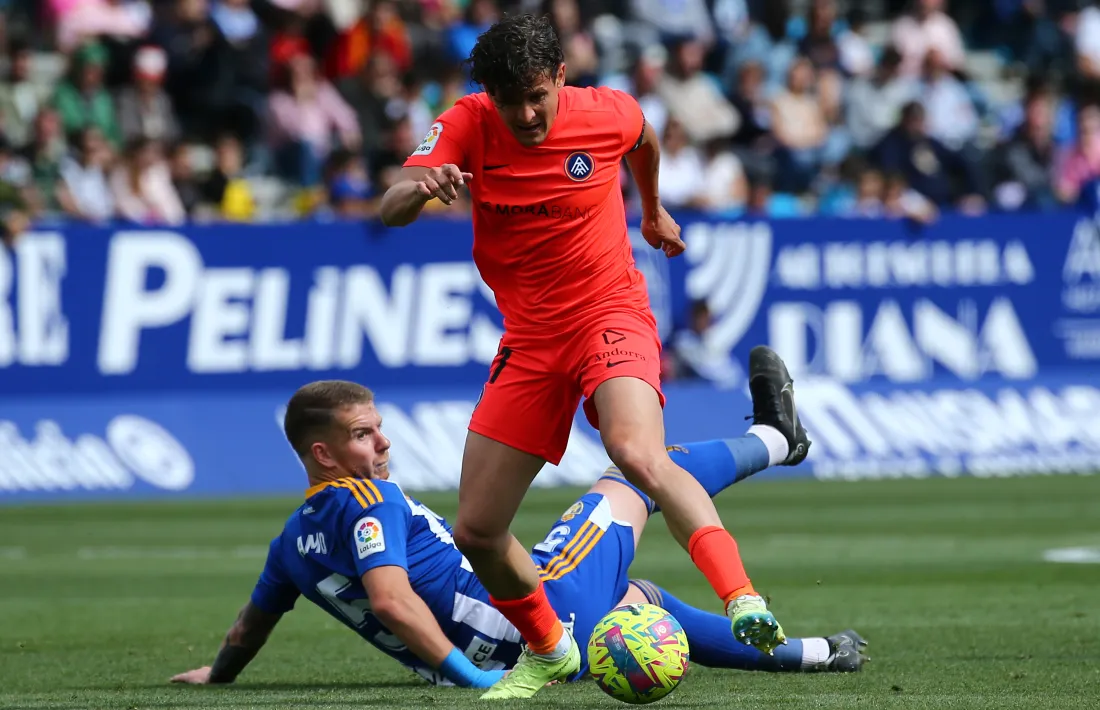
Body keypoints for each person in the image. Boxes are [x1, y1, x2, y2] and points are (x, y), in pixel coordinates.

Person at [378, 14, 809, 698]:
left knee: (637, 454)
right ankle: (549, 651)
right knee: (478, 530)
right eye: (506, 100)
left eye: (534, 97)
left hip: (610, 313)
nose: (522, 114)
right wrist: (421, 191)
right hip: (530, 339)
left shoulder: (608, 112)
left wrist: (652, 210)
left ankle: (742, 595)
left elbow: (643, 139)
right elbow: (390, 203)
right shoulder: (466, 120)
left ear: (559, 78)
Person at [169, 349, 866, 690]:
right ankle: (779, 439)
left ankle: (816, 653)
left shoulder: (291, 541)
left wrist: (219, 676)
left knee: (639, 601)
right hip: (530, 625)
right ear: (322, 453)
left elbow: (246, 627)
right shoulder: (367, 501)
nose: (382, 443)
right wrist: (483, 687)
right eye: (363, 434)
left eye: (379, 428)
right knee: (637, 470)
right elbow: (390, 598)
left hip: (502, 633)